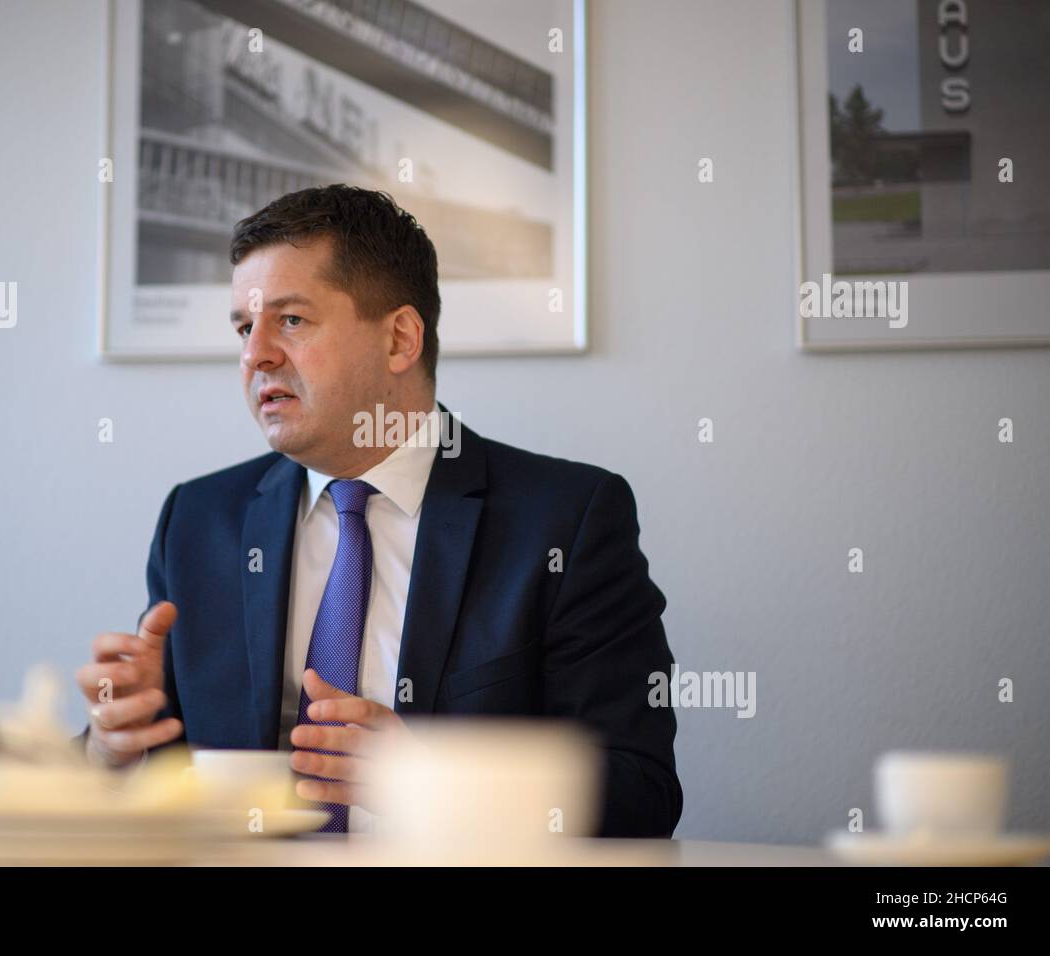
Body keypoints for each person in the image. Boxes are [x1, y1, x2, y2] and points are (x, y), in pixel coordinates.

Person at [75, 184, 681, 837]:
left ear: (399, 339)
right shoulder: (198, 521)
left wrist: (428, 781)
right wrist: (115, 749)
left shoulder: (566, 520)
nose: (255, 356)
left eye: (291, 321)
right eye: (245, 327)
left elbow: (640, 795)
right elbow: (167, 769)